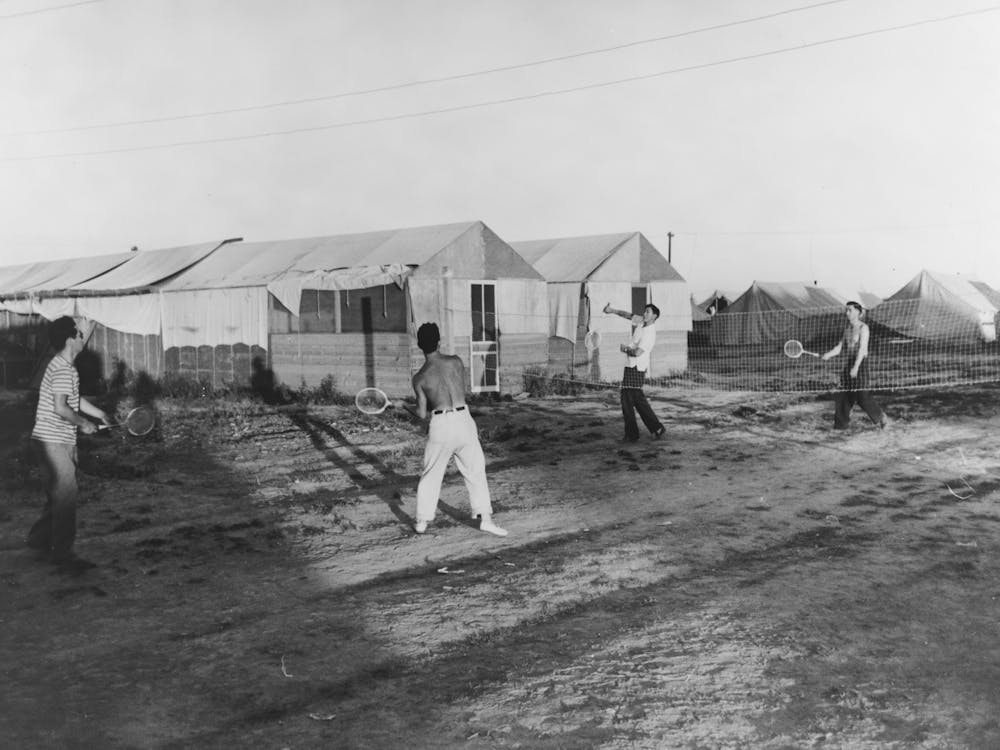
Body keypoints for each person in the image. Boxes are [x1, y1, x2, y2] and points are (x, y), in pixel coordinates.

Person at [26, 316, 111, 572]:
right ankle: (62, 554)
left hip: (51, 440)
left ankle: (39, 540)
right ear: (70, 339)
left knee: (58, 493)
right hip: (53, 442)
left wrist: (98, 414)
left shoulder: (63, 365)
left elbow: (72, 400)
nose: (82, 338)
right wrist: (84, 424)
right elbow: (61, 407)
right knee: (67, 494)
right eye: (79, 335)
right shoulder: (64, 368)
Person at [409, 322, 507, 537]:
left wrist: (404, 407)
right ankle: (486, 519)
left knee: (431, 473)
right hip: (464, 419)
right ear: (439, 341)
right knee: (475, 470)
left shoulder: (419, 378)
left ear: (419, 345)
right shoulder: (456, 362)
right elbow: (457, 387)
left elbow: (422, 413)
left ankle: (422, 521)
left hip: (441, 425)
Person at [821, 301, 889, 430]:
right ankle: (840, 426)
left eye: (850, 310)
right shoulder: (847, 329)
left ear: (858, 312)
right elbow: (839, 347)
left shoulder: (864, 328)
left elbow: (862, 349)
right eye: (846, 310)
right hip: (850, 363)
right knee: (844, 396)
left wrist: (856, 367)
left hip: (861, 363)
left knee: (862, 396)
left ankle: (881, 417)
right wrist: (828, 354)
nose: (847, 313)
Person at [604, 302, 666, 443]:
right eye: (645, 311)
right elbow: (627, 315)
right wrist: (611, 310)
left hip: (637, 368)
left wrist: (625, 349)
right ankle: (657, 428)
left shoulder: (650, 333)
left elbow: (637, 353)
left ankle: (632, 434)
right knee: (637, 400)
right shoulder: (641, 321)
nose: (645, 314)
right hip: (630, 366)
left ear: (654, 316)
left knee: (626, 399)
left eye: (648, 312)